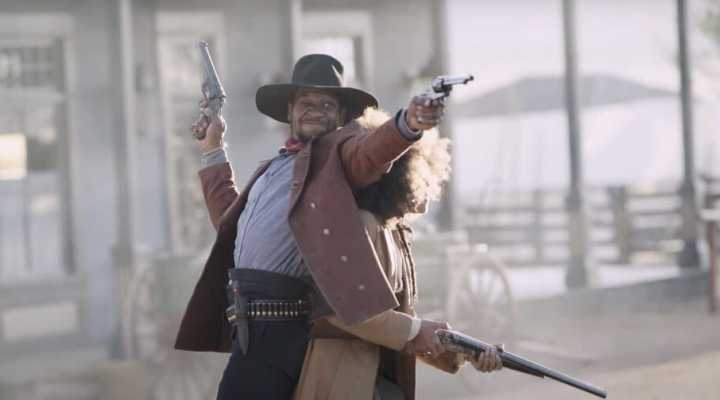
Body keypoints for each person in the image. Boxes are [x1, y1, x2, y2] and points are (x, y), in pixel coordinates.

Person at [174, 53, 455, 400]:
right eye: (307, 103)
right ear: (290, 110)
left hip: (282, 327)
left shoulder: (339, 158)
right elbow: (229, 223)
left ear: (341, 116)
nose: (316, 111)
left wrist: (407, 125)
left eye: (327, 105)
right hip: (247, 329)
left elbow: (370, 153)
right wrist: (212, 149)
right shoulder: (272, 169)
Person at [294, 128, 502, 400]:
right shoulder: (362, 224)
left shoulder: (395, 232)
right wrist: (417, 330)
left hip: (379, 379)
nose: (430, 187)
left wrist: (465, 353)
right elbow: (344, 309)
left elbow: (402, 328)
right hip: (342, 376)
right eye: (424, 176)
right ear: (404, 177)